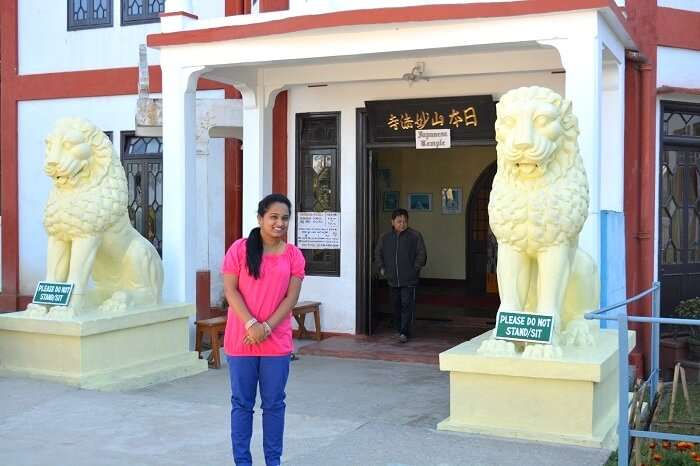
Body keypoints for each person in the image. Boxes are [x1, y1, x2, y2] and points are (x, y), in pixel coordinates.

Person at [221, 193, 305, 466]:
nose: (279, 223)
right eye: (273, 217)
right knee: (242, 404)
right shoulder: (239, 250)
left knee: (274, 405)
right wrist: (251, 324)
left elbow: (290, 298)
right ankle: (242, 462)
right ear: (260, 219)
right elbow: (230, 290)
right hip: (242, 339)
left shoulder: (293, 255)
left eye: (284, 218)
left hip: (276, 342)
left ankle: (273, 461)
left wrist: (266, 327)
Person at [374, 208, 427, 343]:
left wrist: (414, 269)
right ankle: (399, 329)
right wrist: (382, 269)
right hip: (392, 279)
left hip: (409, 279)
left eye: (404, 221)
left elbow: (422, 255)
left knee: (407, 305)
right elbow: (378, 254)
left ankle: (405, 332)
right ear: (392, 222)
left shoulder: (415, 235)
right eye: (399, 221)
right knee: (395, 305)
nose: (402, 224)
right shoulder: (385, 237)